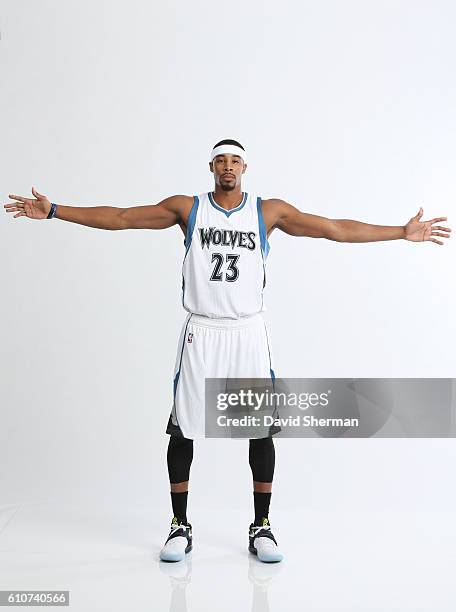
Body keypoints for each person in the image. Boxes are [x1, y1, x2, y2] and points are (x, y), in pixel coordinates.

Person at [5, 139, 451, 564]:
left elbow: (332, 229)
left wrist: (400, 232)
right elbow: (123, 217)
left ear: (245, 168)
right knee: (184, 427)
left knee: (260, 429)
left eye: (235, 161)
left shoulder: (267, 211)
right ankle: (180, 525)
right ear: (212, 167)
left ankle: (261, 526)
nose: (228, 167)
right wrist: (56, 212)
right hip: (203, 330)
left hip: (248, 332)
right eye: (221, 161)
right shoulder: (189, 208)